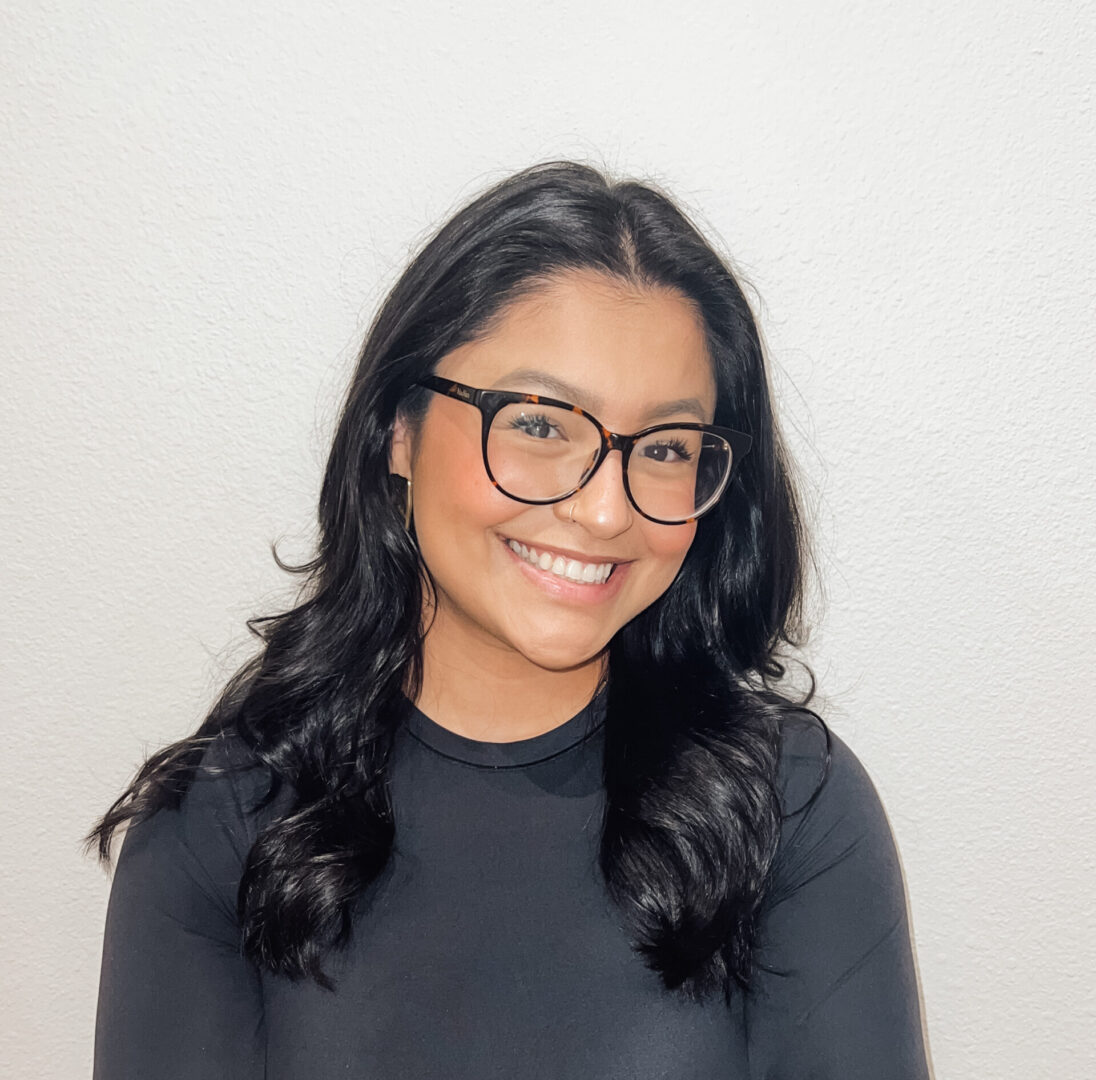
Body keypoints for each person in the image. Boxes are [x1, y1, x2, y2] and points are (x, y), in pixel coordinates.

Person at [88, 161, 931, 1079]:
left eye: (664, 447)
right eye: (537, 425)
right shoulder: (219, 828)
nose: (607, 511)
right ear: (396, 431)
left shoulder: (790, 810)